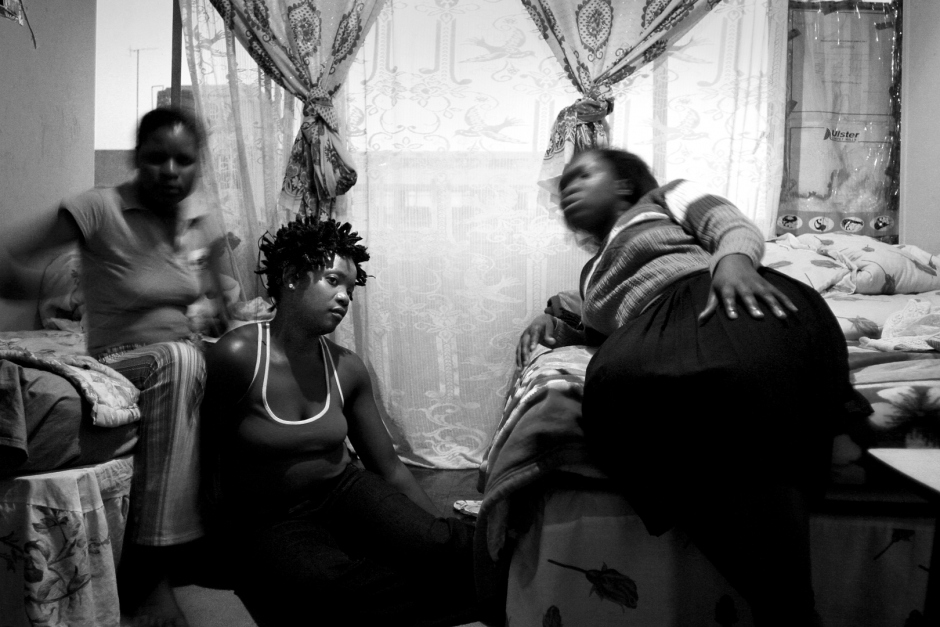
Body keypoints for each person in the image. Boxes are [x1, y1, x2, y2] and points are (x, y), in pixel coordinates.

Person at [516, 148, 870, 627]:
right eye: (563, 187)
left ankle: (787, 604)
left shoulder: (665, 198)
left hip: (713, 298)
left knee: (717, 382)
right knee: (621, 386)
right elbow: (594, 315)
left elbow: (728, 223)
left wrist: (734, 262)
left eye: (583, 175)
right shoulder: (595, 270)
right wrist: (553, 316)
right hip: (656, 331)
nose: (568, 189)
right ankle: (787, 606)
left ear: (624, 184)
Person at [0, 106, 230, 627]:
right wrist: (18, 287)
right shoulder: (99, 209)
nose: (169, 171)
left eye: (182, 160)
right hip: (117, 360)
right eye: (155, 158)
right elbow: (13, 260)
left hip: (184, 354)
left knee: (236, 368)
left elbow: (221, 303)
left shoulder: (201, 222)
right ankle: (149, 576)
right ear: (135, 158)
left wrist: (233, 330)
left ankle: (243, 545)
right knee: (179, 360)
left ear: (198, 165)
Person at [201, 215, 478, 627]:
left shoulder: (347, 368)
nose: (346, 297)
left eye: (350, 288)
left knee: (447, 549)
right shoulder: (237, 355)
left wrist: (431, 532)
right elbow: (207, 459)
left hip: (345, 491)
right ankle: (467, 594)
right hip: (273, 516)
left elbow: (388, 467)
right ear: (292, 277)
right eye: (333, 281)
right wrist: (220, 545)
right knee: (324, 588)